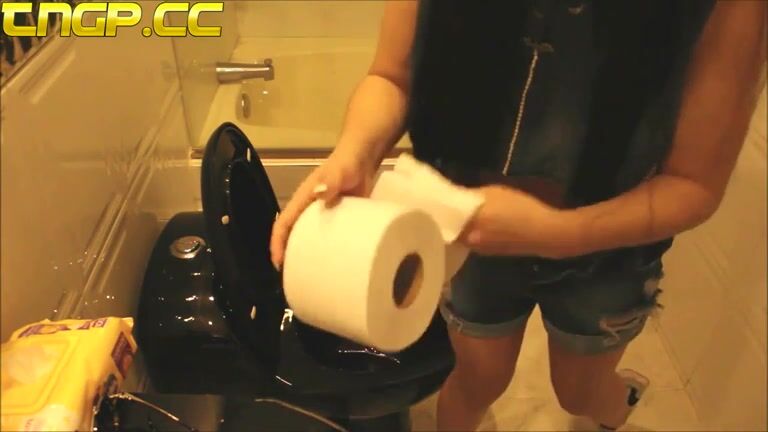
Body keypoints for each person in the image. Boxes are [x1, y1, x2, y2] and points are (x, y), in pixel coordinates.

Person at [270, 1, 766, 431]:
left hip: (606, 250)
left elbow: (694, 184)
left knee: (580, 393)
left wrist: (561, 234)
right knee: (476, 378)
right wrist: (355, 152)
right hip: (468, 228)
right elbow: (391, 77)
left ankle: (620, 403)